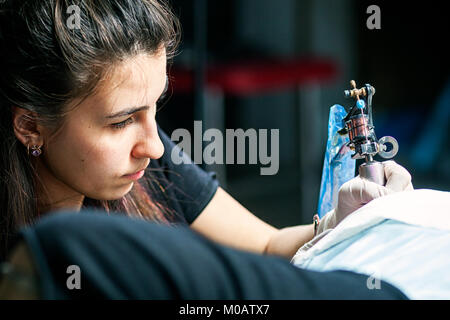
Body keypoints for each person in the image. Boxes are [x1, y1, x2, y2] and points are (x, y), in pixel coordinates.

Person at [0, 0, 413, 298]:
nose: (154, 147)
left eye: (154, 108)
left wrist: (340, 221)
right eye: (121, 121)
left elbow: (267, 247)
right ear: (31, 127)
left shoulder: (147, 165)